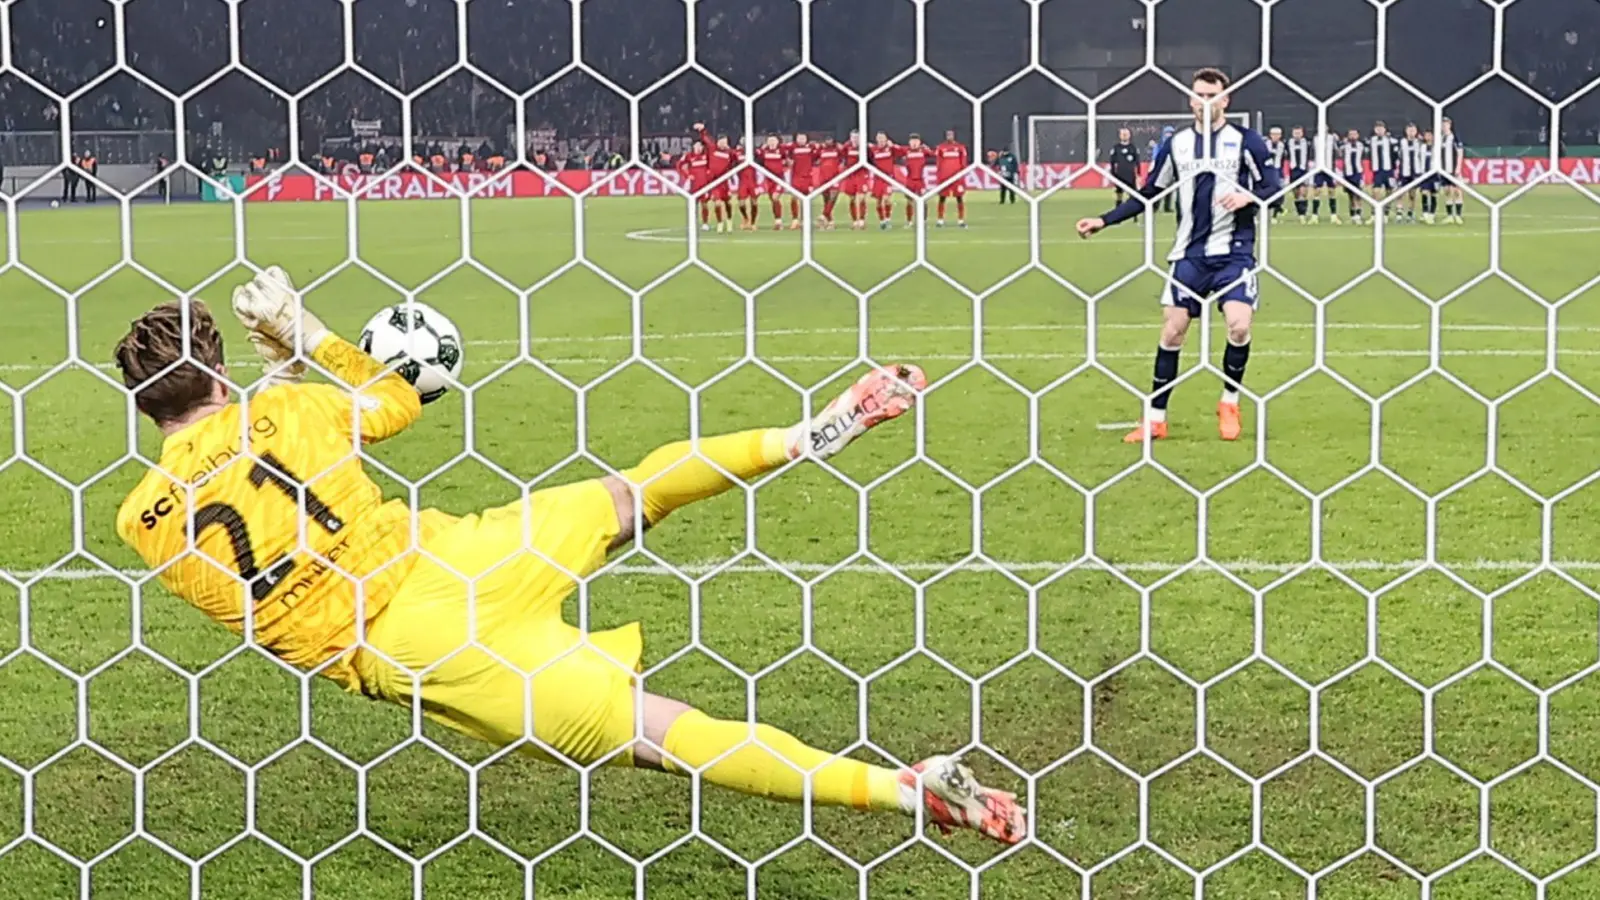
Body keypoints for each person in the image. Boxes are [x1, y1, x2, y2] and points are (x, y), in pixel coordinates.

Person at [112, 269, 1027, 846]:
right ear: (219, 374)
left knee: (663, 734)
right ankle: (801, 436)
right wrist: (305, 339)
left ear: (145, 405)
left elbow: (247, 505)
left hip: (401, 648)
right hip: (456, 558)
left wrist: (268, 388)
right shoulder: (286, 412)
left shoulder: (139, 522)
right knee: (636, 494)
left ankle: (907, 793)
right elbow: (393, 400)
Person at [1075, 67, 1280, 443]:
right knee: (1172, 333)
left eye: (1212, 96)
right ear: (1190, 100)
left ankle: (1229, 402)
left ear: (1226, 100)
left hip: (1234, 253)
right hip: (1188, 255)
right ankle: (1155, 419)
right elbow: (1150, 192)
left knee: (1239, 326)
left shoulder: (1247, 141)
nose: (1205, 102)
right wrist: (1104, 220)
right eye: (1199, 95)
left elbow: (1275, 189)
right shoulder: (1177, 144)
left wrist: (1247, 197)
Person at [934, 129, 969, 228]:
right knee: (942, 198)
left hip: (957, 177)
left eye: (951, 135)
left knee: (959, 198)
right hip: (944, 177)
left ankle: (961, 220)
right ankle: (940, 220)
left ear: (954, 136)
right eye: (948, 135)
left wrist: (962, 174)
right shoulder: (941, 147)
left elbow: (963, 162)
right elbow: (938, 162)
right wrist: (939, 176)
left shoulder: (960, 147)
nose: (949, 136)